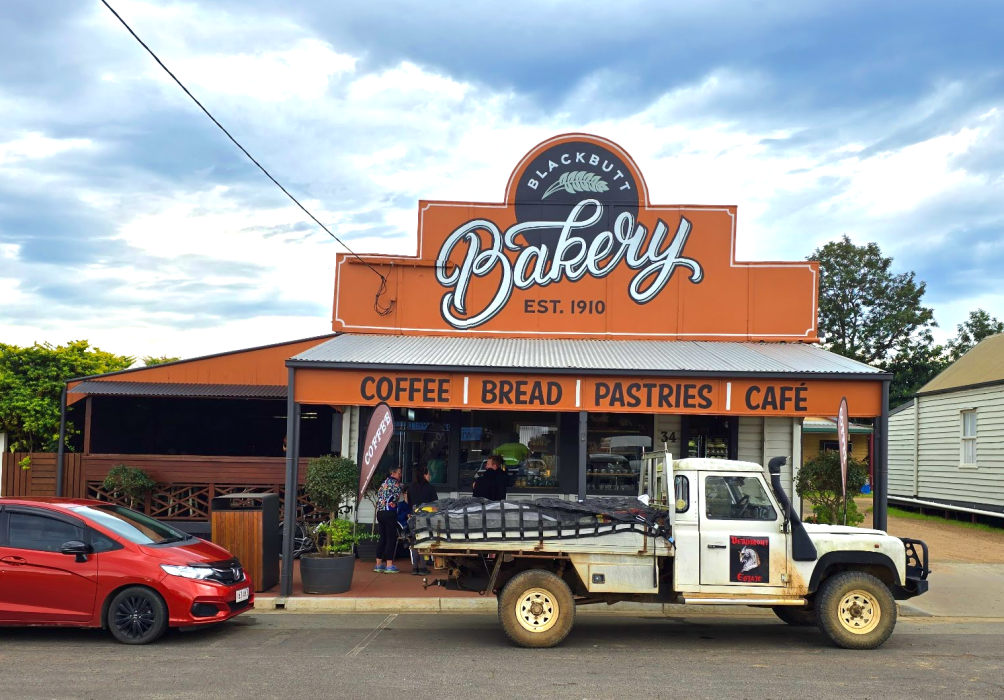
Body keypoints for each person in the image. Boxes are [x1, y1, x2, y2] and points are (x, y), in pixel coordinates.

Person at [374, 466, 403, 574]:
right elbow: (396, 499)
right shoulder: (396, 484)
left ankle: (378, 564)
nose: (400, 475)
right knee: (391, 538)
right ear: (393, 473)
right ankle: (389, 565)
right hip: (389, 513)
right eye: (399, 473)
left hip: (380, 512)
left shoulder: (383, 483)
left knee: (383, 537)